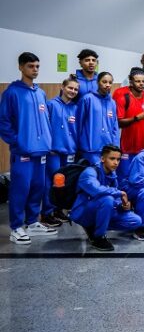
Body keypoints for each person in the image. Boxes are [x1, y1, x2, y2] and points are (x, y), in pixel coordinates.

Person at [0, 52, 57, 243]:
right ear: (21, 67)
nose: (35, 70)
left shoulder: (40, 93)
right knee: (20, 189)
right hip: (23, 151)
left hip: (41, 151)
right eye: (31, 66)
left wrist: (48, 142)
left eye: (37, 66)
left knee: (38, 187)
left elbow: (45, 121)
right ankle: (17, 227)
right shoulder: (12, 92)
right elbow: (4, 122)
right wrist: (17, 143)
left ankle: (32, 223)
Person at [70, 145, 142, 251]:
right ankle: (98, 237)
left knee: (136, 220)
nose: (116, 163)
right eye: (112, 158)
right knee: (107, 199)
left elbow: (115, 201)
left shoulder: (113, 175)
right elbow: (97, 190)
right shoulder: (89, 172)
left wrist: (122, 206)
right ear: (102, 159)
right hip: (83, 211)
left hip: (102, 209)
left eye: (118, 159)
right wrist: (119, 193)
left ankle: (95, 227)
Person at [42, 76, 80, 226]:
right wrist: (48, 146)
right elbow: (45, 127)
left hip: (69, 151)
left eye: (76, 89)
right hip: (54, 152)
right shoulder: (51, 105)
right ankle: (46, 213)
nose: (73, 91)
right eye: (70, 88)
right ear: (62, 87)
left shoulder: (75, 109)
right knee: (52, 182)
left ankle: (58, 210)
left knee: (64, 183)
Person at [114, 68, 144, 184]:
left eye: (143, 81)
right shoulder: (122, 95)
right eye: (137, 81)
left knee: (140, 178)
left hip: (143, 147)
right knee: (124, 178)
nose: (141, 84)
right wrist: (136, 118)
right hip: (126, 147)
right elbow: (118, 122)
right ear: (131, 82)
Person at [76, 71, 120, 166]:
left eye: (110, 82)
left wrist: (116, 147)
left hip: (108, 150)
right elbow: (78, 124)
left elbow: (115, 127)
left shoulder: (112, 103)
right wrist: (78, 145)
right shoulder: (87, 99)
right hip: (90, 149)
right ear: (97, 82)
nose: (107, 85)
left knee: (106, 178)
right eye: (104, 82)